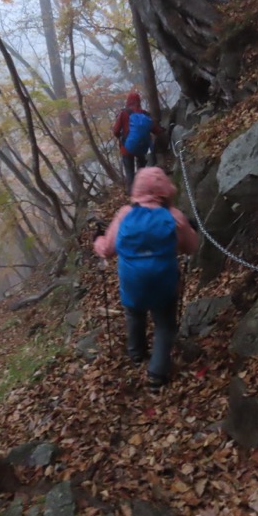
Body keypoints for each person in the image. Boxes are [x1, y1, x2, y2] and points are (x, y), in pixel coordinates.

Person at [94, 167, 198, 390]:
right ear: (165, 191)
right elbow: (191, 247)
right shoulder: (174, 216)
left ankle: (137, 355)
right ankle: (156, 373)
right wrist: (190, 229)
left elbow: (107, 250)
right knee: (164, 325)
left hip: (132, 283)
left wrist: (97, 240)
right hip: (164, 282)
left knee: (134, 314)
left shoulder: (125, 214)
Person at [112, 92, 163, 194]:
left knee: (130, 173)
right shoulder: (144, 114)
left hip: (126, 148)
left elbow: (116, 131)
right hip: (142, 148)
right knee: (141, 172)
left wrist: (121, 138)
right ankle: (143, 192)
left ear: (128, 101)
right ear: (139, 101)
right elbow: (156, 130)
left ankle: (133, 198)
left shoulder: (124, 113)